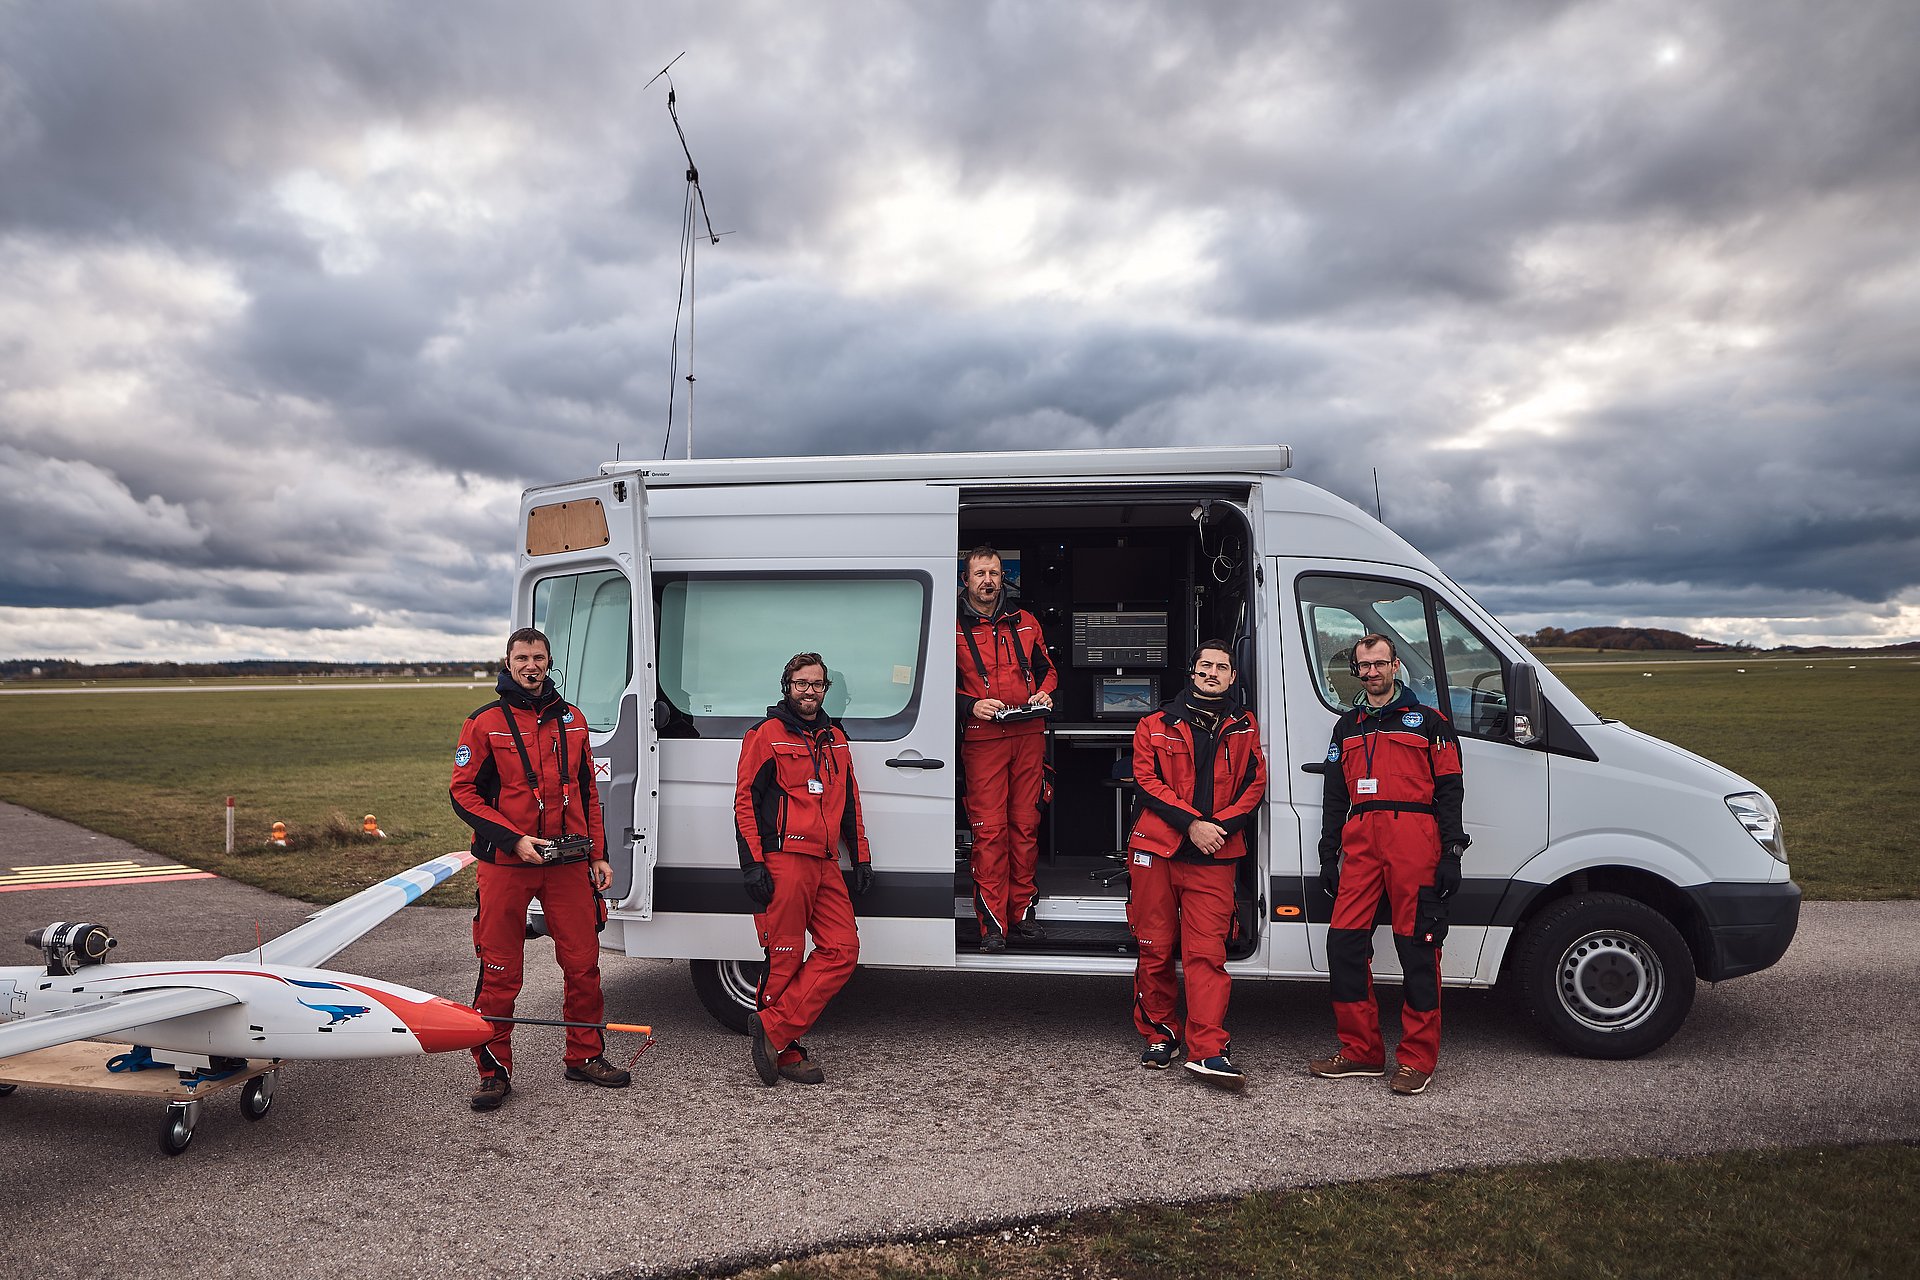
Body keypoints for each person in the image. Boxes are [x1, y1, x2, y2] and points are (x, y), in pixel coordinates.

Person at [450, 626, 630, 1112]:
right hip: (507, 863)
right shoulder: (483, 722)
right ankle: (493, 1071)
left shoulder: (573, 719)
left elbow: (589, 790)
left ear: (550, 662)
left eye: (539, 657)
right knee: (500, 971)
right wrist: (512, 839)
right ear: (508, 662)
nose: (531, 665)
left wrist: (598, 854)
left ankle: (585, 1056)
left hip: (568, 862)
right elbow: (462, 794)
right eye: (522, 657)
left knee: (584, 965)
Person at [1310, 634, 1469, 1096]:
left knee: (1418, 950)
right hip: (1360, 846)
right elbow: (1335, 795)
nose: (1372, 673)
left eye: (1380, 664)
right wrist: (1328, 851)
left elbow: (1452, 788)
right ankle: (1360, 1052)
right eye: (1364, 666)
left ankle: (1417, 1059)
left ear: (1396, 666)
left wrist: (1452, 852)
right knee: (1343, 945)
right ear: (1356, 671)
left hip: (1415, 843)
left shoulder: (1430, 722)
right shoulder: (1347, 727)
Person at [1125, 640, 1268, 1091]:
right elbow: (1146, 782)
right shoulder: (1154, 723)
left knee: (1208, 954)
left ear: (1232, 677)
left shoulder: (1245, 726)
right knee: (1155, 946)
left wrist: (1217, 828)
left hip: (1215, 853)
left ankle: (1208, 1050)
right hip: (1160, 851)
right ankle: (1159, 1034)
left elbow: (1254, 785)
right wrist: (1191, 824)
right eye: (1205, 665)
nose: (1212, 672)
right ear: (1192, 672)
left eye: (1221, 667)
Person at [735, 653, 874, 1086]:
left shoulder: (836, 737)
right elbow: (745, 803)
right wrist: (753, 865)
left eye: (817, 684)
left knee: (842, 950)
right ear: (787, 685)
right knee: (784, 958)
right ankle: (787, 1050)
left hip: (826, 862)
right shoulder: (765, 735)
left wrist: (862, 856)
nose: (809, 690)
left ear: (826, 689)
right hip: (783, 860)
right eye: (801, 683)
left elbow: (850, 802)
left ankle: (773, 1028)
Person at [956, 545, 1058, 953]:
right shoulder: (950, 625)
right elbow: (928, 689)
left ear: (1003, 577)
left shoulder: (1027, 621)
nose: (987, 580)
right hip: (982, 740)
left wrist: (1046, 694)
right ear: (966, 579)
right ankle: (993, 925)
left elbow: (1049, 670)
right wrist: (970, 705)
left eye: (994, 573)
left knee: (1025, 828)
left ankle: (1022, 914)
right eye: (979, 573)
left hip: (1029, 734)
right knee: (990, 833)